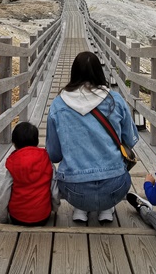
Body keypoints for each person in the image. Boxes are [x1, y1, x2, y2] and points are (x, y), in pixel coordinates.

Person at [46, 51, 139, 223]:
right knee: (120, 176)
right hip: (115, 187)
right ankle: (106, 208)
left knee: (75, 180)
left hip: (74, 190)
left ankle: (80, 208)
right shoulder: (115, 100)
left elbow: (54, 155)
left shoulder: (58, 104)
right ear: (99, 72)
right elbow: (130, 139)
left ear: (73, 73)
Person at [0, 122, 57, 226]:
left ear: (14, 144)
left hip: (17, 218)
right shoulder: (46, 160)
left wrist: (2, 217)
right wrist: (54, 207)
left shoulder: (13, 163)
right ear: (37, 142)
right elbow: (54, 189)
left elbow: (4, 193)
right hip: (43, 217)